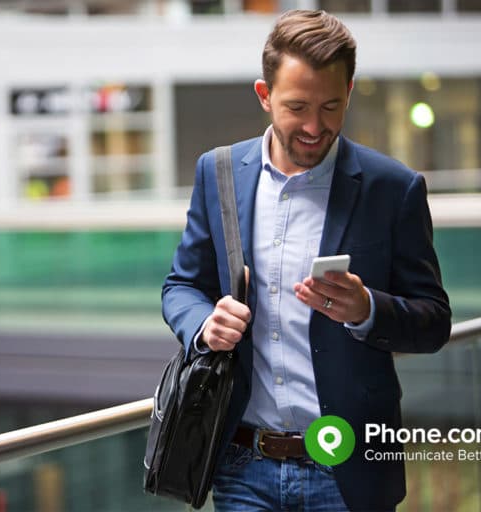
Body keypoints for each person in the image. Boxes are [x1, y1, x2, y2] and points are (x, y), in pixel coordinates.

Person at [161, 9, 451, 512]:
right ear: (264, 95)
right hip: (241, 465)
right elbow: (180, 286)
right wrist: (205, 323)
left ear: (350, 93)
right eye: (297, 107)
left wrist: (367, 310)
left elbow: (434, 322)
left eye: (331, 107)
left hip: (348, 472)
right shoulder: (220, 173)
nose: (316, 127)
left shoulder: (393, 189)